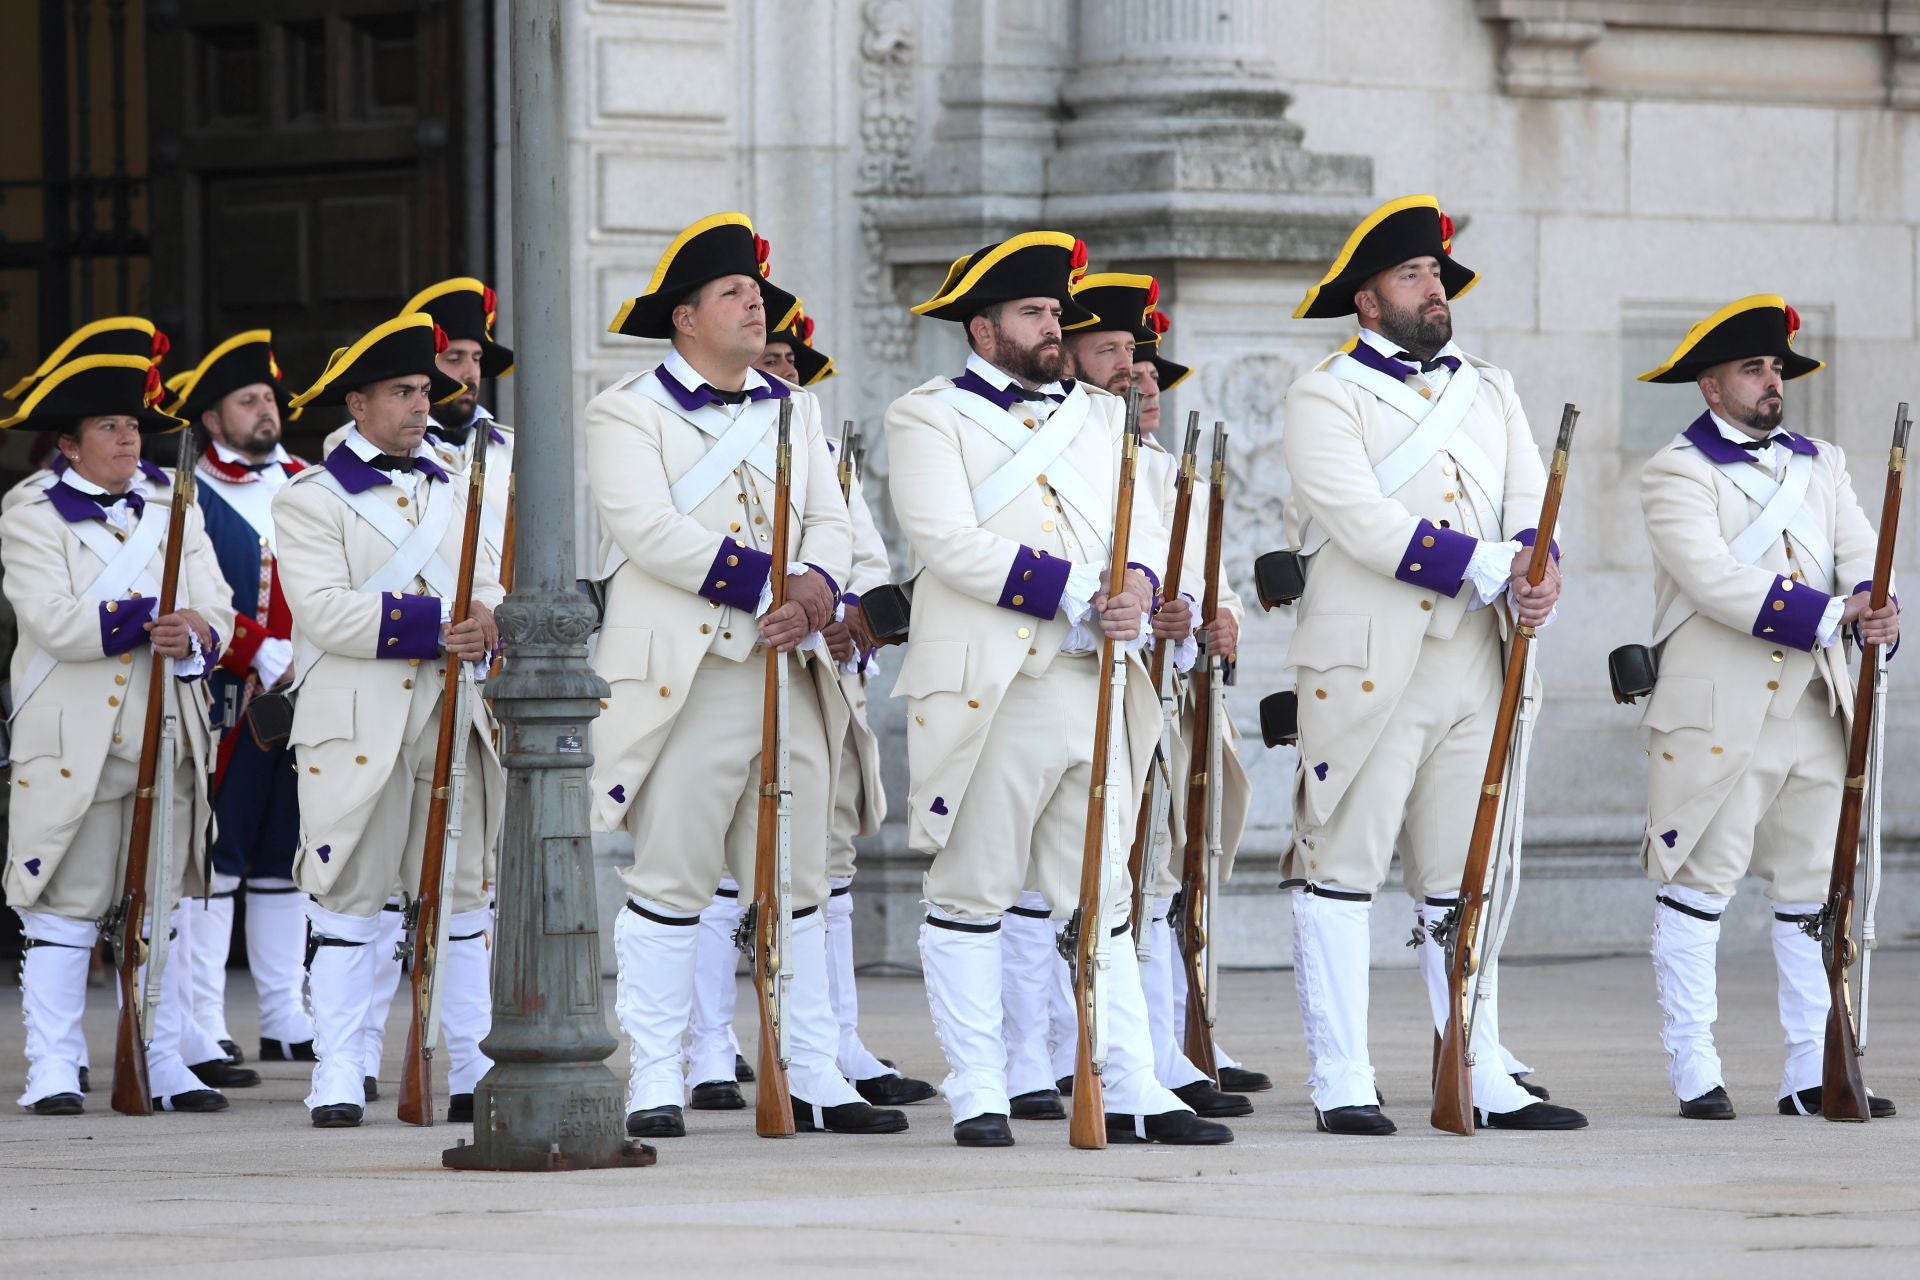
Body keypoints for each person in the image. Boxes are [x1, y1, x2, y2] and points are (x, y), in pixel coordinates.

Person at [887, 230, 1230, 1147]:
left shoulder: (1099, 416)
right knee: (972, 890)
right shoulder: (928, 416)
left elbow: (1147, 524)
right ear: (983, 326)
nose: (1055, 326)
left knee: (1103, 898)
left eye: (1055, 310)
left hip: (1093, 679)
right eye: (1036, 312)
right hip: (992, 687)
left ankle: (1131, 1085)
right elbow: (947, 541)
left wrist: (1143, 588)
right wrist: (1087, 588)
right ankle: (979, 1087)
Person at [586, 212, 904, 1139]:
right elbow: (647, 529)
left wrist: (818, 588)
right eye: (732, 292)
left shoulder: (792, 407)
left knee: (801, 883)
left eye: (754, 291)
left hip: (789, 667)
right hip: (688, 677)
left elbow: (833, 517)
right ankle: (653, 1073)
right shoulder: (627, 410)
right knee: (672, 879)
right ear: (685, 318)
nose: (753, 302)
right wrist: (775, 581)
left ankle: (812, 1072)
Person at [1281, 195, 1586, 1134]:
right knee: (1344, 868)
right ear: (1367, 301)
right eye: (1413, 275)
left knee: (1464, 876)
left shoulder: (1490, 388)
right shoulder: (1323, 394)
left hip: (1478, 661)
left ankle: (1477, 1063)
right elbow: (1362, 520)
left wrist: (1539, 566)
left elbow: (1534, 499)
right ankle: (1342, 1074)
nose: (1434, 289)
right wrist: (1483, 564)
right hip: (1371, 663)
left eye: (1437, 274)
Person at [1634, 294, 1898, 1120]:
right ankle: (1694, 1067)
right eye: (1753, 368)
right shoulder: (1676, 470)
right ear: (1711, 387)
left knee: (1812, 894)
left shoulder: (1824, 463)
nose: (1770, 381)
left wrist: (1876, 603)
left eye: (1776, 366)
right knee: (1697, 887)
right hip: (1719, 711)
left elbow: (1860, 550)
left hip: (1817, 710)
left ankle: (1809, 1071)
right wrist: (1831, 615)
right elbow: (1712, 578)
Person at [277, 313, 504, 1128]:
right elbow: (326, 613)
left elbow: (491, 585)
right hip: (358, 726)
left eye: (424, 391)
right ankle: (340, 1070)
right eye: (403, 392)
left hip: (453, 714)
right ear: (358, 404)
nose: (420, 404)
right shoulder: (310, 498)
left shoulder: (460, 480)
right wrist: (445, 621)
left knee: (466, 902)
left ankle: (475, 1064)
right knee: (348, 904)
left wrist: (488, 619)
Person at [1, 351, 237, 1114]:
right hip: (75, 737)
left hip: (167, 729)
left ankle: (161, 1060)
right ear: (68, 444)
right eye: (109, 426)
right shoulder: (30, 513)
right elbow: (55, 621)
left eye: (133, 424)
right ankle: (55, 1067)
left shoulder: (179, 506)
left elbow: (221, 611)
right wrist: (153, 617)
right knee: (64, 905)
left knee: (158, 904)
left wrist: (196, 631)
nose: (130, 439)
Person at [164, 332, 316, 1066]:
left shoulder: (312, 480)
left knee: (285, 857)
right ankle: (205, 1022)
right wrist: (255, 647)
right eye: (247, 401)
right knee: (215, 860)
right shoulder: (188, 492)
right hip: (222, 699)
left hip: (299, 702)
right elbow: (192, 599)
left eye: (269, 400)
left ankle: (287, 1014)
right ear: (212, 419)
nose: (265, 412)